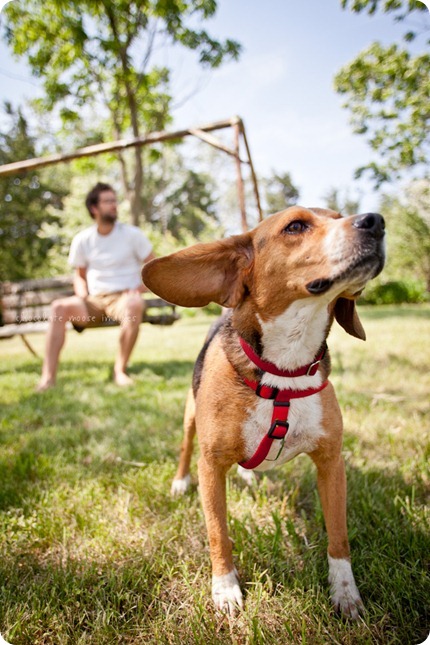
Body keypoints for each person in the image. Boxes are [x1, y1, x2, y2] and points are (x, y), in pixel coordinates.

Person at [37, 182, 155, 391]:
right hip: (94, 300)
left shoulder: (132, 235)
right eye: (108, 201)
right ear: (94, 208)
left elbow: (154, 268)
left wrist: (138, 289)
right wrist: (81, 294)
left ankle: (120, 370)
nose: (114, 205)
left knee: (134, 304)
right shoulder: (83, 239)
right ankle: (47, 378)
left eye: (114, 200)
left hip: (123, 299)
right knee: (58, 308)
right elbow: (80, 276)